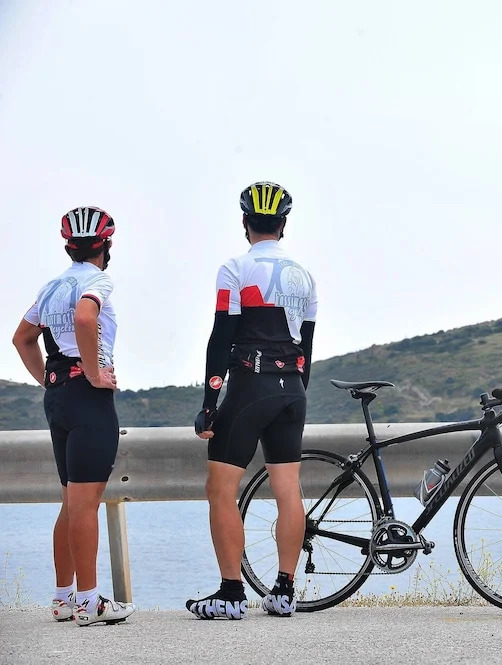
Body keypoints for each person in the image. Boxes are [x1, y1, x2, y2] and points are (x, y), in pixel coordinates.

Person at [186, 181, 318, 620]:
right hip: (293, 391)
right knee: (288, 491)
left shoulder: (235, 268)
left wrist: (210, 402)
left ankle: (230, 593)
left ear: (245, 222)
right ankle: (284, 591)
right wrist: (296, 394)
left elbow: (221, 337)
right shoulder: (304, 276)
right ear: (283, 225)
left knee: (221, 488)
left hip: (250, 387)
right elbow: (306, 348)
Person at [11, 207, 137, 626]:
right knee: (85, 504)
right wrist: (95, 373)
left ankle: (64, 598)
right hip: (88, 399)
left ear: (68, 247)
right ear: (106, 247)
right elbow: (85, 316)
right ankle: (89, 603)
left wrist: (48, 382)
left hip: (59, 398)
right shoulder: (97, 280)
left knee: (70, 502)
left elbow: (22, 338)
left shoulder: (51, 287)